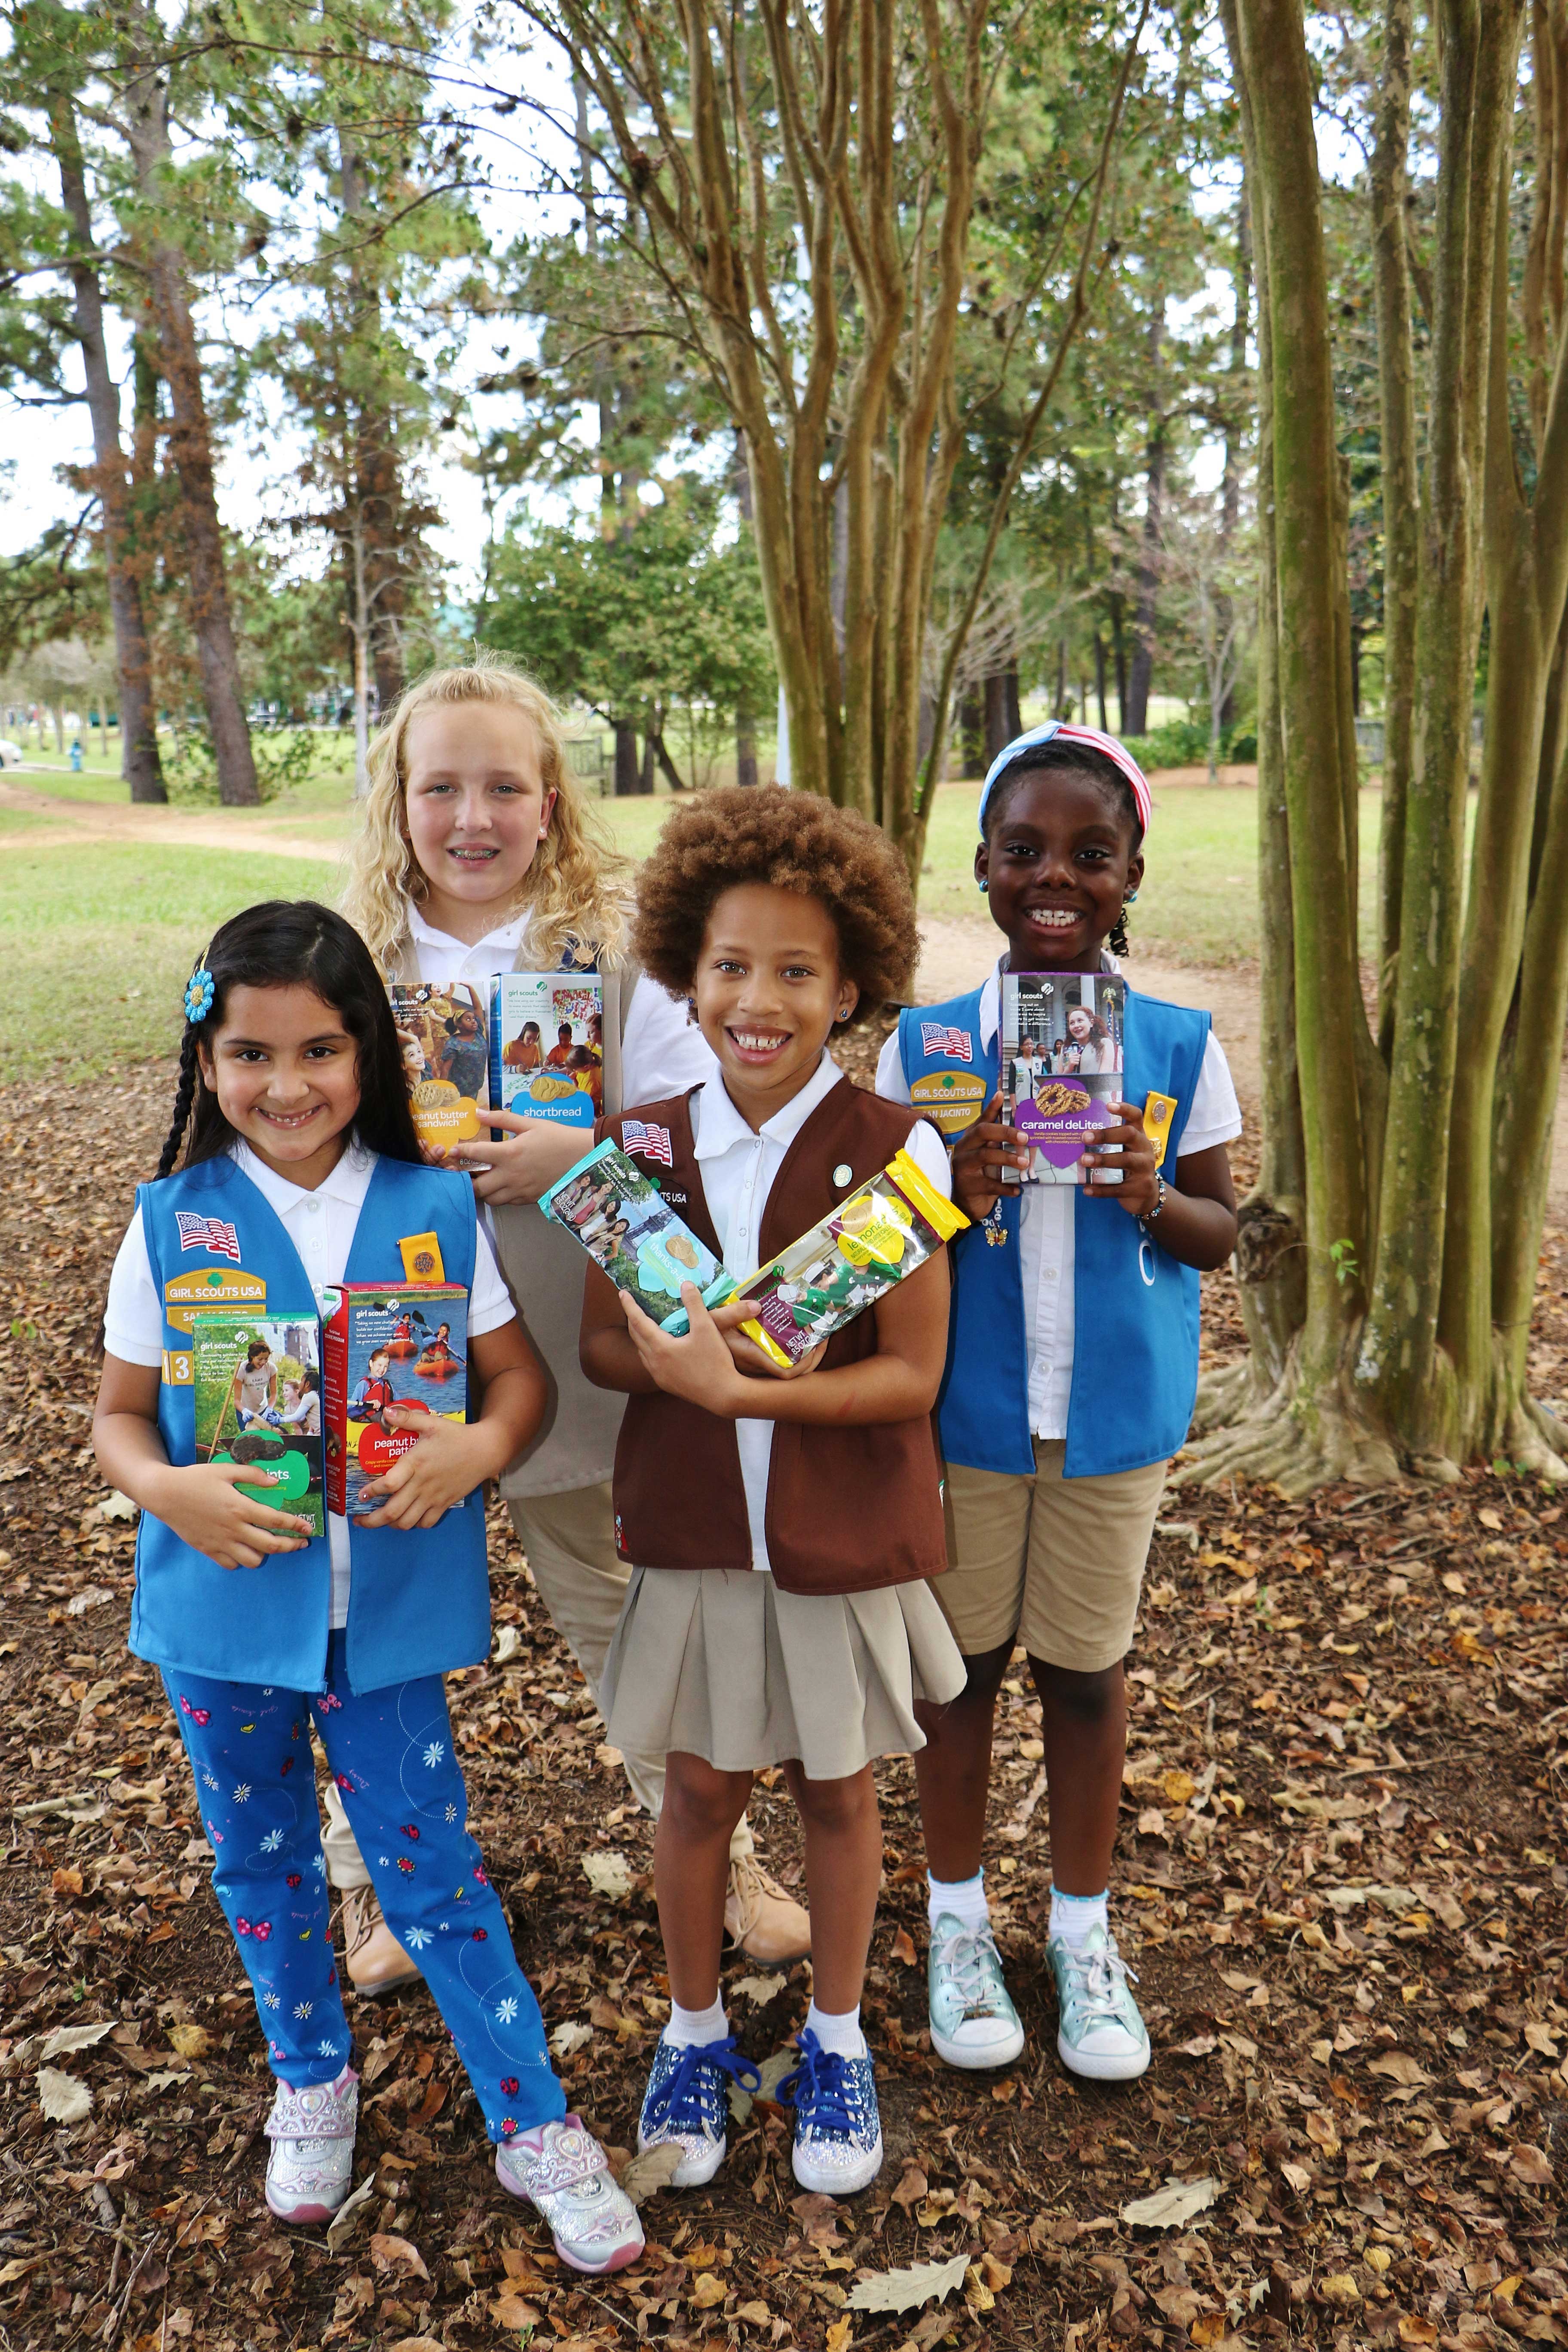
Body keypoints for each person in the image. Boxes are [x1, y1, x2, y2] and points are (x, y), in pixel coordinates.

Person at [93, 902, 643, 2269]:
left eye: (321, 1050)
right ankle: (312, 2081)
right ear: (204, 1058)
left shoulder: (429, 1206)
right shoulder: (173, 1221)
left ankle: (534, 2122)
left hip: (383, 1616)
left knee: (432, 1871)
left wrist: (480, 1443)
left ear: (370, 1054)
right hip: (226, 1617)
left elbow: (514, 1381)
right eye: (251, 1054)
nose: (287, 1087)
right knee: (262, 1861)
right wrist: (168, 1488)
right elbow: (115, 1418)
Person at [336, 652, 809, 1992]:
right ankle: (372, 1881)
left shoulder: (611, 951)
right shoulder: (353, 955)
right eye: (442, 788)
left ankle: (717, 1860)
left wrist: (581, 1156)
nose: (471, 817)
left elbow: (689, 1140)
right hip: (393, 1345)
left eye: (502, 786)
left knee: (624, 1607)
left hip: (567, 1334)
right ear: (401, 800)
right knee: (367, 1618)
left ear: (551, 801)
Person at [582, 787, 967, 2199]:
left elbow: (910, 1377)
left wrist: (756, 1395)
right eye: (729, 965)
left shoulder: (895, 1151)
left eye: (795, 970)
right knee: (693, 1790)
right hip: (694, 1540)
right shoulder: (641, 1148)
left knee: (840, 1793)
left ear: (851, 983)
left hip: (836, 1544)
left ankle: (839, 2037)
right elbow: (598, 1342)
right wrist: (686, 1376)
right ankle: (691, 2033)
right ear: (685, 973)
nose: (757, 998)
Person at [879, 720, 1241, 2085]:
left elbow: (1220, 1227)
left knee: (1084, 1676)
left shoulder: (1171, 1045)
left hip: (1109, 1422)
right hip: (964, 1419)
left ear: (1130, 873)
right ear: (981, 865)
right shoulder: (923, 1048)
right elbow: (875, 1243)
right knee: (960, 1673)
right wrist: (943, 1185)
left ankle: (1082, 1932)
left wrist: (1151, 1194)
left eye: (1091, 855)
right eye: (1023, 849)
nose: (1055, 878)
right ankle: (960, 1922)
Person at [437, 1004, 487, 1099]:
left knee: (471, 1105)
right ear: (459, 1024)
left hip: (476, 1084)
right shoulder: (453, 1044)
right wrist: (442, 1090)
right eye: (468, 1019)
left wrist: (470, 988)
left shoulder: (478, 1034)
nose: (474, 1021)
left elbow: (478, 1008)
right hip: (459, 1087)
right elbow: (445, 1069)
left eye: (474, 1019)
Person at [230, 1339, 278, 1431]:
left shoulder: (271, 1368)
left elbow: (274, 1395)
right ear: (252, 1357)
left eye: (266, 1359)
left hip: (263, 1410)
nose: (263, 1362)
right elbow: (237, 1401)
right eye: (260, 1359)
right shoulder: (242, 1370)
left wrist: (270, 1409)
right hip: (245, 1411)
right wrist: (244, 1411)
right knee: (249, 1440)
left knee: (266, 1439)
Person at [349, 1346, 395, 1424]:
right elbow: (350, 1411)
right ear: (371, 1363)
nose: (382, 1370)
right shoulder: (364, 1385)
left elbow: (401, 1403)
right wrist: (367, 1406)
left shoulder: (388, 1385)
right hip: (369, 1419)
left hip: (386, 1416)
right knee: (384, 1417)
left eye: (386, 1367)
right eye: (380, 1365)